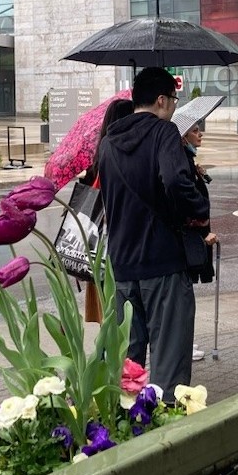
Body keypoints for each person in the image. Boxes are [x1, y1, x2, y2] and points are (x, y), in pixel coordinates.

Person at [96, 68, 210, 398]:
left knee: (125, 367)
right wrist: (198, 208)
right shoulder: (164, 133)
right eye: (173, 100)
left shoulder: (108, 143)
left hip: (121, 268)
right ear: (161, 100)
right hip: (163, 264)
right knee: (169, 366)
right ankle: (167, 437)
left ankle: (125, 435)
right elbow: (175, 182)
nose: (174, 106)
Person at [80, 97, 134, 323]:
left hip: (97, 247)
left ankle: (107, 354)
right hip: (114, 243)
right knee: (118, 311)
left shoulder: (99, 154)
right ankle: (112, 355)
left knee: (108, 313)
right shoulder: (118, 156)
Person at [181, 121, 217, 362]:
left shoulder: (188, 161)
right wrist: (203, 233)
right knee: (183, 294)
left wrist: (200, 174)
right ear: (184, 137)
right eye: (194, 130)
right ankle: (182, 343)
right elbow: (187, 203)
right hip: (190, 238)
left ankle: (184, 341)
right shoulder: (181, 160)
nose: (200, 133)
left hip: (193, 237)